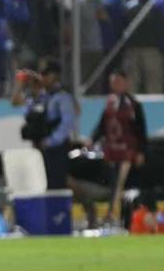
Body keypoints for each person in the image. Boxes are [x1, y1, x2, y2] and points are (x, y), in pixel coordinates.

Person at [14, 60, 110, 229]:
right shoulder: (42, 97)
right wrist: (22, 85)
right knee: (49, 182)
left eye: (45, 74)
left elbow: (67, 123)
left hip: (56, 148)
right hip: (40, 148)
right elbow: (21, 106)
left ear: (54, 75)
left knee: (57, 183)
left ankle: (82, 210)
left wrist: (50, 141)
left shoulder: (62, 96)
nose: (42, 78)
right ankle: (80, 209)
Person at [92, 71, 147, 225]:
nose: (116, 85)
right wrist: (92, 139)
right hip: (112, 152)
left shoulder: (133, 104)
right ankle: (113, 215)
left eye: (119, 82)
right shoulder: (109, 103)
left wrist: (141, 151)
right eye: (114, 82)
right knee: (113, 185)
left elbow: (141, 130)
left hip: (127, 153)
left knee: (122, 185)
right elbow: (102, 126)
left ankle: (119, 216)